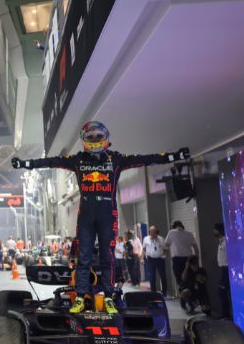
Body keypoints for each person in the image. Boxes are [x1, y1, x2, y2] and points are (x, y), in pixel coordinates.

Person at [12, 120, 188, 314]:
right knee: (83, 258)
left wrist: (174, 156)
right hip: (86, 215)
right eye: (91, 137)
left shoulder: (116, 159)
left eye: (98, 136)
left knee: (108, 258)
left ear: (105, 138)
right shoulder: (77, 159)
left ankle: (109, 297)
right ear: (84, 139)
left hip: (108, 214)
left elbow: (147, 159)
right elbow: (51, 161)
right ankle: (80, 297)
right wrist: (25, 164)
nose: (95, 139)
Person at [164, 221, 199, 306]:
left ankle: (185, 301)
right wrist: (196, 260)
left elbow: (166, 244)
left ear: (173, 226)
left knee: (180, 281)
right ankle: (190, 300)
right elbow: (195, 248)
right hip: (189, 259)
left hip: (177, 260)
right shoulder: (189, 234)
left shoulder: (171, 232)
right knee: (189, 280)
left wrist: (164, 254)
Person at [142, 226, 168, 296]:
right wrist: (142, 258)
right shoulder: (146, 239)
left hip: (160, 259)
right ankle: (153, 293)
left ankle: (164, 292)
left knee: (163, 276)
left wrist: (164, 255)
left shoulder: (161, 239)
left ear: (157, 232)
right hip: (150, 259)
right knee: (152, 277)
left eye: (154, 232)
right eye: (151, 231)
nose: (152, 233)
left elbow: (165, 249)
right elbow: (144, 249)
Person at [214, 223, 231, 320]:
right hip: (223, 269)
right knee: (223, 292)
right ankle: (226, 314)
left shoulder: (226, 242)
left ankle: (226, 315)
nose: (214, 232)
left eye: (215, 230)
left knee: (221, 291)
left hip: (226, 269)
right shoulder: (221, 241)